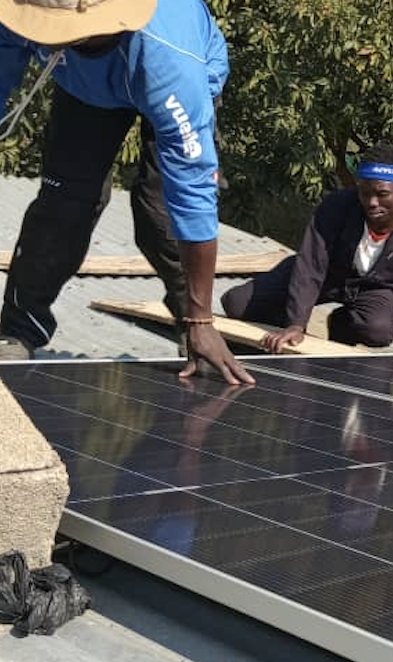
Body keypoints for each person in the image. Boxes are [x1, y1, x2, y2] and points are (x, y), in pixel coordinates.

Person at [0, 0, 252, 385]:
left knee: (159, 213)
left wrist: (202, 318)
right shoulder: (29, 10)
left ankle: (194, 326)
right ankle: (19, 328)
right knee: (62, 205)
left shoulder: (171, 64)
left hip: (167, 73)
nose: (44, 39)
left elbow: (193, 198)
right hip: (85, 88)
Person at [221, 142, 393, 352]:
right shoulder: (337, 207)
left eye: (382, 194)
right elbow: (310, 265)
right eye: (364, 193)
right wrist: (296, 323)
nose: (371, 202)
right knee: (237, 303)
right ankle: (282, 328)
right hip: (326, 275)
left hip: (371, 288)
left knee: (379, 331)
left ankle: (341, 325)